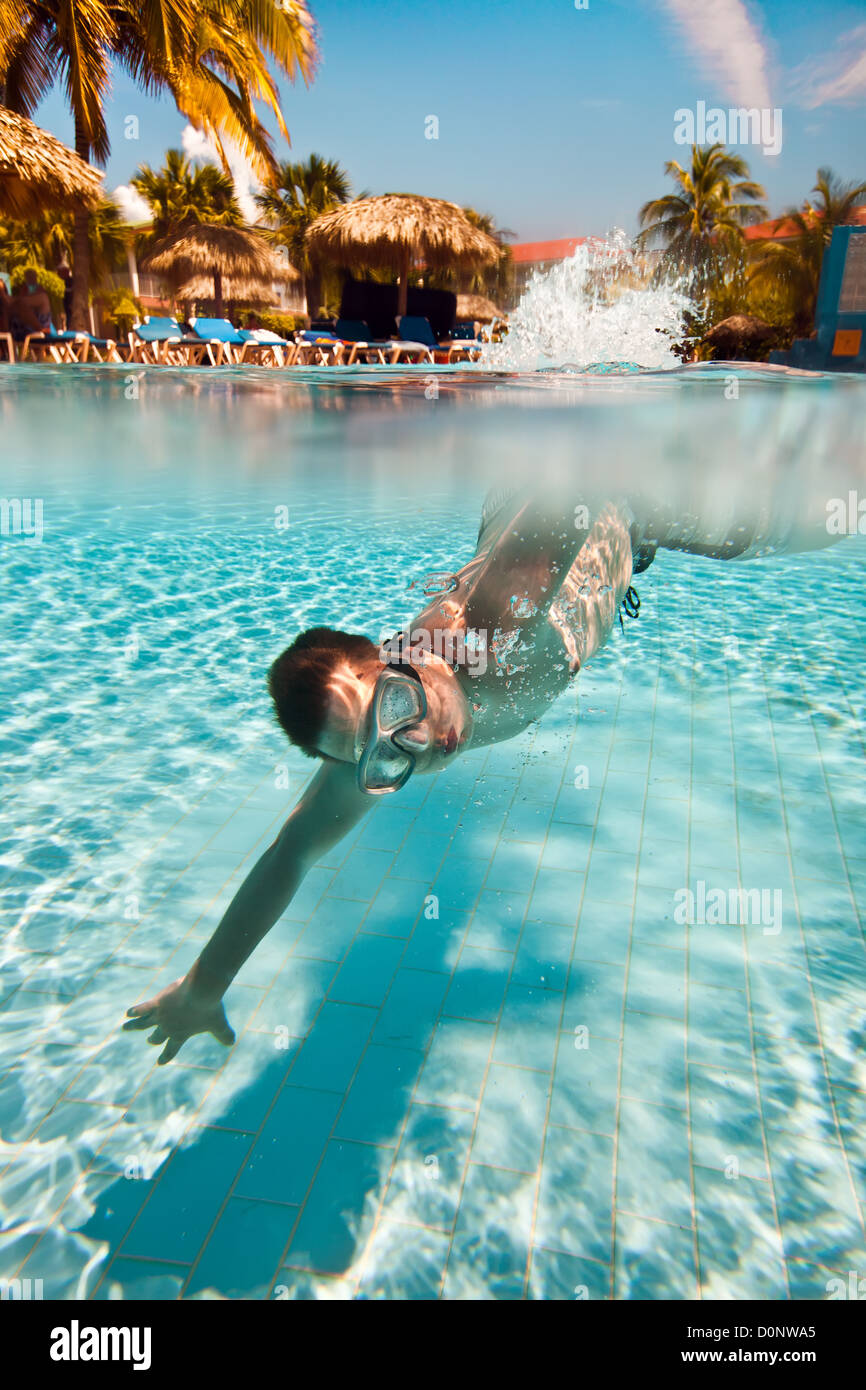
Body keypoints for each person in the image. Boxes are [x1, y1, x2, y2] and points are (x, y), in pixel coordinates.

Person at [124, 485, 838, 1062]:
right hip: (585, 549)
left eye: (396, 705)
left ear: (393, 657)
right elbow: (290, 854)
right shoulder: (371, 756)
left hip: (603, 506)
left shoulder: (495, 620)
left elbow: (586, 464)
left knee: (796, 523)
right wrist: (205, 984)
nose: (422, 742)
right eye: (386, 756)